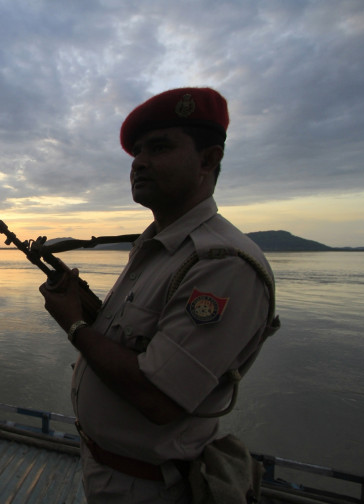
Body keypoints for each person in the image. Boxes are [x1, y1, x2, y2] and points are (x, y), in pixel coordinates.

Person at [39, 88, 278, 503]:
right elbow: (129, 343)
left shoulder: (223, 263)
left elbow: (160, 398)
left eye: (160, 148)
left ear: (208, 160)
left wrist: (75, 324)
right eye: (137, 153)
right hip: (106, 471)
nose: (140, 163)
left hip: (152, 487)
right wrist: (88, 310)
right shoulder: (155, 248)